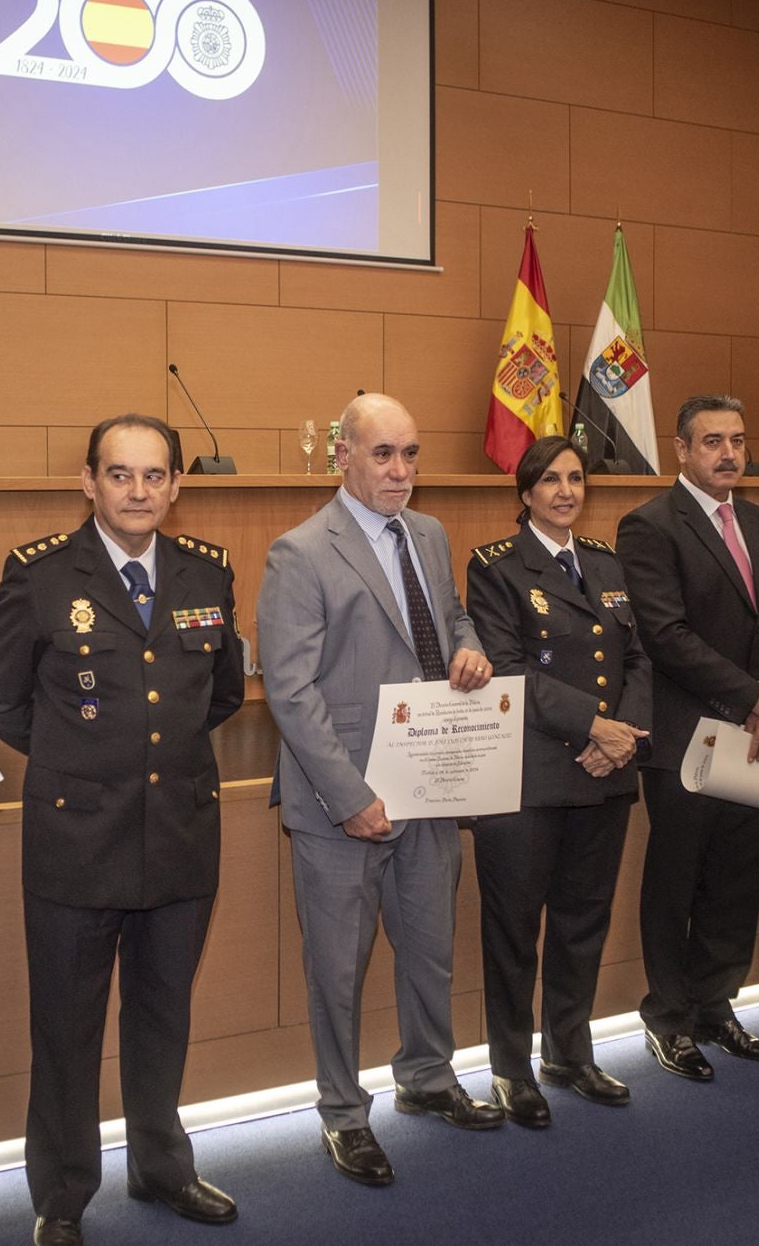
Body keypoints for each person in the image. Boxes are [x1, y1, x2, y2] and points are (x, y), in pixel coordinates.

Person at [0, 415, 244, 1246]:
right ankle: (61, 1196)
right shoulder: (41, 575)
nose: (138, 491)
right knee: (66, 1027)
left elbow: (221, 693)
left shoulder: (208, 574)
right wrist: (79, 761)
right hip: (75, 841)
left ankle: (162, 1165)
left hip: (180, 833)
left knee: (162, 1017)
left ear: (175, 485)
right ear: (88, 482)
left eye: (154, 476)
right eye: (119, 475)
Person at [258, 393, 502, 1188]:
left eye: (410, 455)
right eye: (383, 455)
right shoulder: (299, 552)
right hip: (342, 807)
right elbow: (291, 694)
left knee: (430, 952)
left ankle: (428, 1080)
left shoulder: (428, 535)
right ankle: (342, 1115)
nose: (400, 471)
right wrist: (350, 796)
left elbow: (454, 623)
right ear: (344, 459)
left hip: (430, 785)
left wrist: (470, 656)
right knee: (337, 970)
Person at [615, 395, 759, 1082]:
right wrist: (751, 694)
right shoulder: (649, 526)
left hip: (757, 736)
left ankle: (716, 1005)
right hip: (686, 739)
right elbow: (665, 635)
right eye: (713, 441)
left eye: (737, 439)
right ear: (681, 450)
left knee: (736, 876)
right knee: (678, 882)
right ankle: (668, 1017)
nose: (729, 453)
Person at [465, 437, 650, 1126]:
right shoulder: (496, 568)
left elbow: (639, 659)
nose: (566, 491)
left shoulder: (606, 563)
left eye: (576, 479)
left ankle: (571, 1053)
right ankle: (512, 1069)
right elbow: (507, 669)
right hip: (528, 779)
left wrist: (621, 736)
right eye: (551, 480)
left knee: (582, 924)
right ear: (525, 493)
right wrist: (593, 728)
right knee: (514, 931)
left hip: (604, 776)